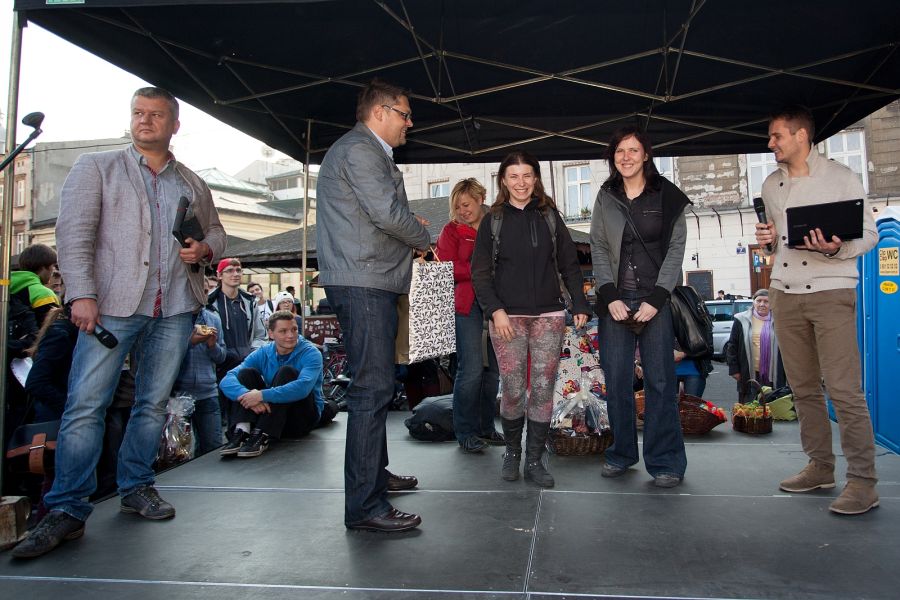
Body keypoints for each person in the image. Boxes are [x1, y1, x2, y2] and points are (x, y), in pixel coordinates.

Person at [12, 87, 226, 559]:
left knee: (152, 404)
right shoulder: (97, 167)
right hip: (110, 306)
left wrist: (205, 248)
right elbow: (74, 233)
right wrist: (81, 294)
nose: (144, 120)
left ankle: (136, 486)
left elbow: (216, 231)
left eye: (156, 114)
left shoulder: (191, 181)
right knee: (86, 405)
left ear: (174, 125)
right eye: (138, 112)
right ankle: (66, 507)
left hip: (174, 306)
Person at [317, 78, 430, 533]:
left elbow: (374, 214)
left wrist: (406, 224)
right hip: (363, 282)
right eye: (405, 114)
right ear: (380, 112)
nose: (409, 123)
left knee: (376, 386)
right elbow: (386, 213)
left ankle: (374, 476)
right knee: (372, 388)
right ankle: (366, 505)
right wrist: (422, 237)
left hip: (367, 278)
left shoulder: (364, 152)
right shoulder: (361, 151)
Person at [756, 105, 879, 515]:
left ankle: (863, 482)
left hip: (831, 291)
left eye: (777, 136)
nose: (771, 144)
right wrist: (768, 241)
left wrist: (836, 247)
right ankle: (820, 467)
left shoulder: (841, 177)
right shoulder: (770, 184)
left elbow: (869, 235)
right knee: (804, 389)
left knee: (843, 390)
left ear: (801, 136)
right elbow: (775, 246)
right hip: (784, 291)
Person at [471, 150, 591, 488]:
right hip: (506, 318)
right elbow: (480, 273)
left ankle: (535, 460)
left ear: (535, 178)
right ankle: (513, 452)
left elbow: (569, 263)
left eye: (527, 175)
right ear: (503, 180)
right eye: (514, 176)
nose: (521, 182)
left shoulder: (549, 216)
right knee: (511, 389)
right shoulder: (492, 220)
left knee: (541, 389)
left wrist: (579, 303)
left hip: (549, 316)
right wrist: (495, 311)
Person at [590, 126, 689, 488]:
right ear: (612, 157)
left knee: (660, 382)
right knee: (617, 381)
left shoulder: (667, 195)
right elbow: (599, 246)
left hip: (654, 300)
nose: (626, 157)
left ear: (646, 154)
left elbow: (676, 248)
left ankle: (665, 462)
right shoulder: (606, 196)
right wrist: (609, 295)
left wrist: (658, 298)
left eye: (633, 150)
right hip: (616, 301)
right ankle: (621, 453)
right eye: (620, 151)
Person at [436, 178, 503, 454]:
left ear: (480, 199)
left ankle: (486, 427)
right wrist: (481, 270)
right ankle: (465, 431)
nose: (462, 211)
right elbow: (445, 267)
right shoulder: (451, 231)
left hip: (497, 305)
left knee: (493, 372)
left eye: (466, 205)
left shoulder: (496, 224)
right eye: (458, 206)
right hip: (466, 306)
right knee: (472, 368)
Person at [219, 311, 332, 457]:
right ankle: (242, 431)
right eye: (283, 331)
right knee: (246, 374)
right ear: (271, 334)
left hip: (301, 417)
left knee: (287, 372)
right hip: (275, 415)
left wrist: (261, 395)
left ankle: (262, 434)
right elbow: (227, 380)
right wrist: (247, 396)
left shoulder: (311, 353)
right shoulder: (264, 352)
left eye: (294, 329)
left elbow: (303, 388)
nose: (291, 335)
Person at [206, 258, 267, 432]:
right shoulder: (210, 302)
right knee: (222, 408)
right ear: (219, 275)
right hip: (220, 362)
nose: (235, 274)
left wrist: (253, 353)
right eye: (230, 270)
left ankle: (240, 434)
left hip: (245, 361)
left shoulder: (249, 301)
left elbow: (260, 333)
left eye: (238, 270)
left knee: (244, 401)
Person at [173, 306, 227, 455]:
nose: (201, 296)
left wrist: (212, 345)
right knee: (177, 451)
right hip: (178, 393)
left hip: (207, 391)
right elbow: (166, 354)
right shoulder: (174, 318)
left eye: (205, 293)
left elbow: (221, 357)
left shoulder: (213, 319)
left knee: (213, 447)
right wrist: (190, 342)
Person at [725, 289, 785, 403]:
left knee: (772, 406)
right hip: (748, 371)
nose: (762, 304)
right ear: (753, 302)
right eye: (759, 301)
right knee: (749, 406)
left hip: (773, 373)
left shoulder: (780, 320)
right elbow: (732, 345)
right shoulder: (741, 319)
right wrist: (734, 369)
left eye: (766, 301)